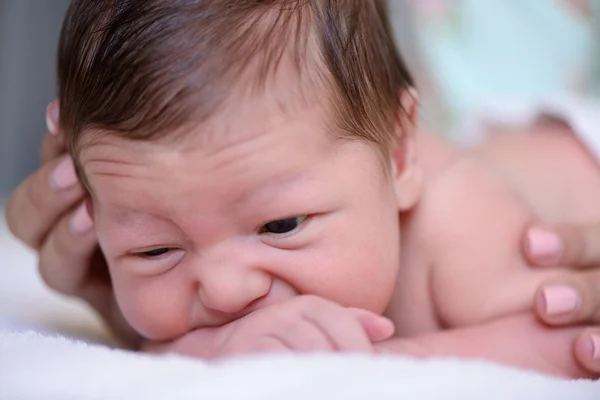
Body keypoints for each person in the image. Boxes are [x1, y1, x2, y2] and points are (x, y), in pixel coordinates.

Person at [5, 0, 600, 378]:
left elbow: (568, 343)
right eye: (155, 250)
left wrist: (380, 367)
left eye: (281, 226)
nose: (223, 290)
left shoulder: (459, 223)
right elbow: (158, 356)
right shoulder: (253, 224)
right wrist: (211, 352)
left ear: (400, 154)